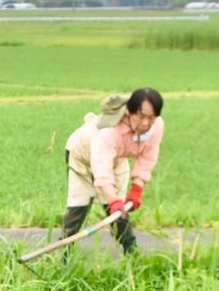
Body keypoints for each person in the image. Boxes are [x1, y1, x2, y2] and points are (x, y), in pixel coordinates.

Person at [61, 88, 164, 256]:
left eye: (151, 118)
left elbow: (147, 156)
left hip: (115, 159)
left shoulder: (156, 126)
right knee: (78, 208)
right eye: (141, 116)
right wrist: (113, 200)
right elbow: (102, 174)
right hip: (81, 157)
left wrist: (137, 189)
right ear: (129, 112)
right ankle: (65, 253)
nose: (146, 123)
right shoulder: (108, 133)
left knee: (120, 214)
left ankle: (132, 254)